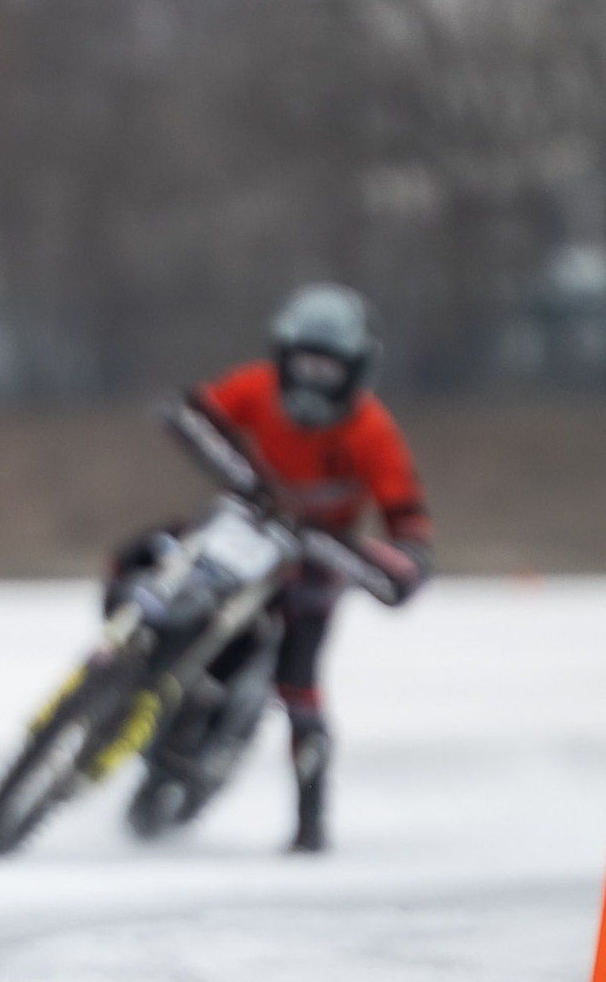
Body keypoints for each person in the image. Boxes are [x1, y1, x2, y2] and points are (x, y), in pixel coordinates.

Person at [185, 282, 432, 853]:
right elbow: (198, 411)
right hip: (246, 529)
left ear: (356, 372)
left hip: (314, 560)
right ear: (283, 357)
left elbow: (408, 519)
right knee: (151, 557)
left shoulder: (372, 433)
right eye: (304, 365)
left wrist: (404, 559)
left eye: (328, 370)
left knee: (298, 681)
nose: (312, 382)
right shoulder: (256, 388)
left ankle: (310, 820)